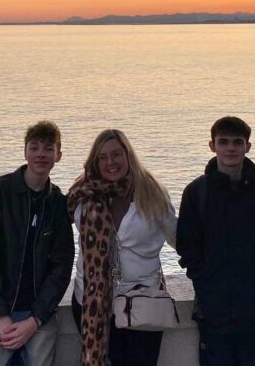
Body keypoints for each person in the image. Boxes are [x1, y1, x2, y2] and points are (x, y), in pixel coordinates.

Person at [176, 116, 255, 366]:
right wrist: (205, 283)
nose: (230, 148)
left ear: (248, 146)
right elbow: (188, 244)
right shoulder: (196, 192)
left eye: (238, 142)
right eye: (223, 142)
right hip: (213, 310)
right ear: (212, 146)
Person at [68, 129, 177, 366]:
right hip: (92, 301)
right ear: (95, 161)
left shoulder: (152, 193)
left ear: (128, 155)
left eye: (116, 154)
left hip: (142, 300)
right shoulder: (83, 194)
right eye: (103, 157)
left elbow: (180, 239)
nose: (110, 162)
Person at [0, 120, 74, 366]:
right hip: (1, 315)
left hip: (38, 317)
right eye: (34, 147)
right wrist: (0, 315)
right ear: (25, 152)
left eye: (48, 148)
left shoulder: (57, 203)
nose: (41, 154)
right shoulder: (1, 190)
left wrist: (36, 320)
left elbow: (61, 266)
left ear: (58, 155)